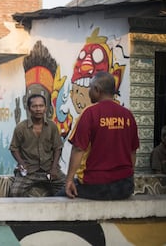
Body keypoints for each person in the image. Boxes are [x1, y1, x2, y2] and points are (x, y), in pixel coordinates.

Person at [65, 71, 139, 200]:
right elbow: (133, 151)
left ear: (97, 89)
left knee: (61, 196)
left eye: (90, 88)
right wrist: (128, 177)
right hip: (124, 186)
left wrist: (69, 181)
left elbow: (78, 149)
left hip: (96, 186)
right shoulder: (128, 115)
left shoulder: (90, 113)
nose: (88, 91)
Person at [8, 94, 65, 197]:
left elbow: (58, 148)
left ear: (45, 108)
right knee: (15, 192)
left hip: (48, 169)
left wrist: (54, 168)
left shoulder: (52, 126)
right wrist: (21, 163)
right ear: (29, 109)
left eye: (41, 106)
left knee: (67, 187)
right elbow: (13, 148)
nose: (38, 109)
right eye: (34, 106)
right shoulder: (21, 128)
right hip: (29, 170)